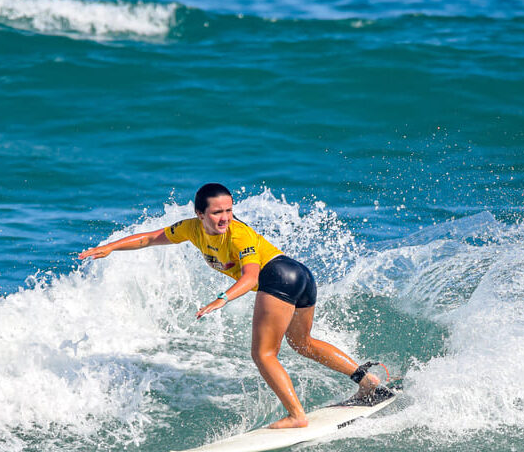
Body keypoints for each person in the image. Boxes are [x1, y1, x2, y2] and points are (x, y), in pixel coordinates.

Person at [78, 183, 385, 429]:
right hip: (298, 275)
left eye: (228, 210)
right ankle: (368, 383)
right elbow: (150, 238)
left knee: (263, 353)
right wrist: (111, 247)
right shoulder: (190, 229)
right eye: (216, 212)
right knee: (302, 343)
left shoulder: (239, 235)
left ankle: (296, 416)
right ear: (200, 213)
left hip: (282, 275)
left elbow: (252, 277)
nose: (224, 217)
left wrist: (221, 299)